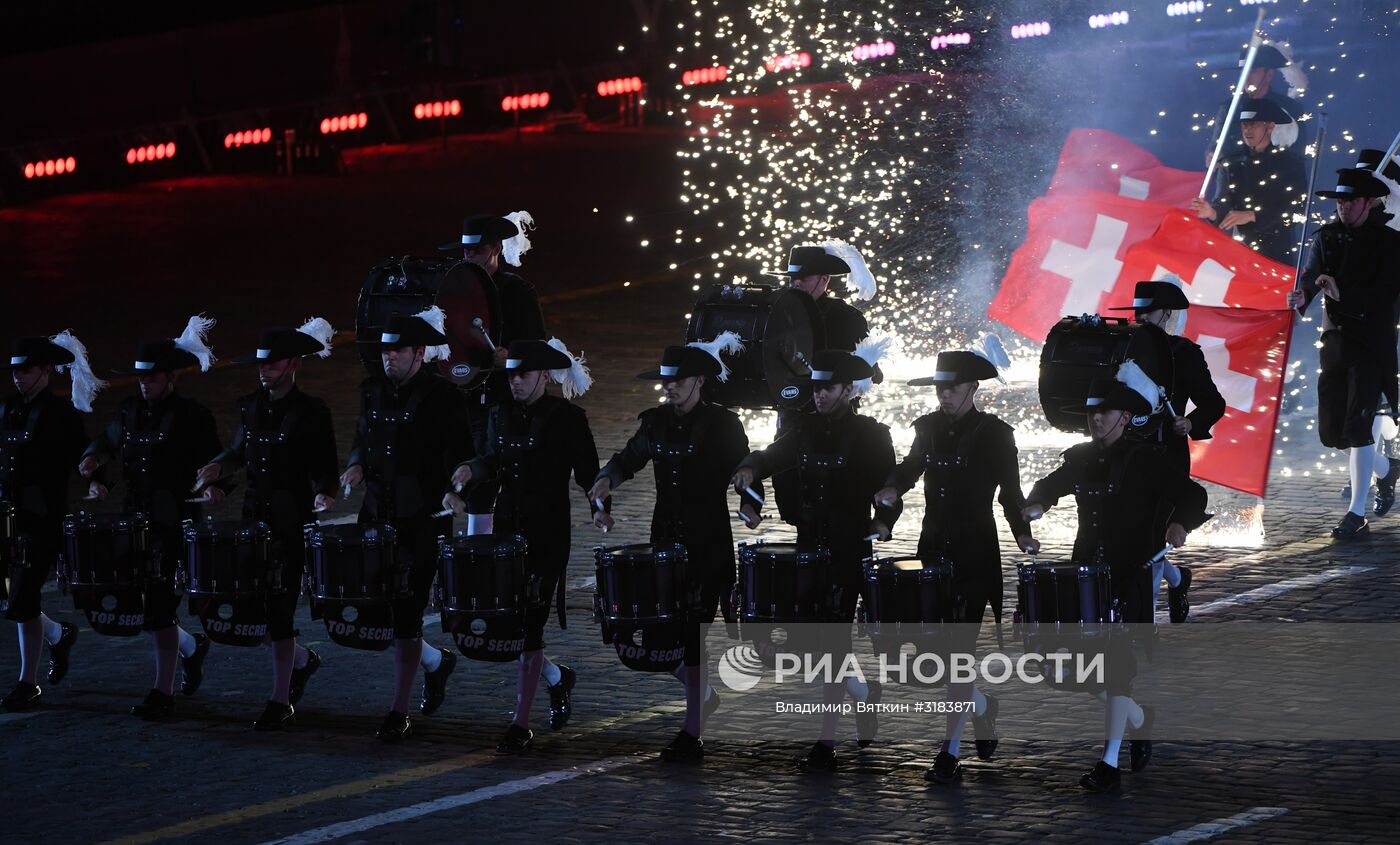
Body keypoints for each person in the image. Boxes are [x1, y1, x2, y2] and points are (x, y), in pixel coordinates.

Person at [1022, 379, 1210, 792]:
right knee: (1073, 672)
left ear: (1124, 418)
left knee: (1116, 671)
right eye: (1091, 412)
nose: (1095, 418)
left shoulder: (1146, 459)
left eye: (1104, 412)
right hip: (1087, 576)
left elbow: (1192, 495)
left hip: (1133, 574)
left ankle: (1108, 763)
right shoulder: (1080, 458)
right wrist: (1036, 505)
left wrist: (1179, 524)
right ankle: (1140, 721)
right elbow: (1048, 486)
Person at [589, 334, 762, 761]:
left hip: (707, 539)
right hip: (664, 541)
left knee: (692, 634)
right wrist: (605, 483)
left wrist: (749, 504)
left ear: (700, 382)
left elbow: (747, 469)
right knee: (656, 634)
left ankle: (692, 731)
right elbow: (628, 458)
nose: (669, 387)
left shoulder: (723, 424)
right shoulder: (655, 423)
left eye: (678, 381)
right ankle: (702, 696)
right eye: (666, 381)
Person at [873, 335, 1037, 785]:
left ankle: (950, 750)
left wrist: (1023, 533)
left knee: (958, 654)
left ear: (972, 389)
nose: (944, 393)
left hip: (975, 550)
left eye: (953, 386)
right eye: (940, 386)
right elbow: (911, 467)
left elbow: (1010, 494)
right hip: (933, 548)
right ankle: (983, 708)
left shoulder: (997, 434)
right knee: (932, 655)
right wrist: (893, 487)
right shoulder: (925, 426)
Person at [731, 349, 900, 772]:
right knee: (803, 646)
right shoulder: (804, 427)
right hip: (808, 548)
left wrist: (883, 522)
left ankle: (826, 741)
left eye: (828, 388)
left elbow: (889, 485)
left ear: (848, 389)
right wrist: (750, 470)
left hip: (847, 550)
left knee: (833, 643)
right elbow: (772, 455)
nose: (820, 395)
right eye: (817, 388)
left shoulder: (871, 434)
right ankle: (863, 693)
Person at [455, 338, 602, 753]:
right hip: (506, 528)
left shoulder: (568, 417)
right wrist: (470, 469)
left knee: (531, 624)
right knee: (506, 623)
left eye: (522, 374)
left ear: (542, 376)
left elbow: (589, 474)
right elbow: (490, 460)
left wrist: (599, 504)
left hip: (548, 532)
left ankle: (520, 721)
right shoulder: (499, 412)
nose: (514, 381)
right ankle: (557, 678)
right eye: (511, 375)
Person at [194, 319, 340, 730]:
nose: (264, 370)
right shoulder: (251, 406)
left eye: (273, 364)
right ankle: (300, 661)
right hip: (253, 519)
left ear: (293, 364)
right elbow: (240, 450)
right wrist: (218, 467)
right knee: (243, 610)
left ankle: (279, 698)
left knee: (278, 611)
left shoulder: (312, 411)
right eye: (262, 364)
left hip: (291, 521)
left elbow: (325, 465)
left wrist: (325, 492)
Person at [340, 309, 473, 741]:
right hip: (377, 512)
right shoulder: (371, 390)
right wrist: (356, 466)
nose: (388, 357)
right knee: (375, 607)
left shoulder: (445, 397)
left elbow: (461, 453)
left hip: (422, 520)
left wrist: (457, 490)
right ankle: (435, 661)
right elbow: (363, 438)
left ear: (419, 352)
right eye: (384, 350)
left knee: (407, 615)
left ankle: (398, 709)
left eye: (397, 350)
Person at [80, 316, 222, 721]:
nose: (145, 384)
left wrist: (214, 486)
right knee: (144, 607)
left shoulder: (193, 416)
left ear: (172, 376)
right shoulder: (128, 412)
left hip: (176, 521)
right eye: (142, 378)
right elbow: (107, 443)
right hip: (135, 520)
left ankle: (162, 691)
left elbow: (215, 461)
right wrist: (94, 465)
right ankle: (192, 649)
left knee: (160, 607)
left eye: (154, 378)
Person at [1287, 168, 1400, 537]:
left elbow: (1386, 295)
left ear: (1369, 203)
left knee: (1357, 426)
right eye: (1340, 201)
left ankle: (1356, 514)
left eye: (1351, 201)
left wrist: (1342, 294)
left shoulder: (1389, 243)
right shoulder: (1327, 235)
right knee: (1333, 432)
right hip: (1335, 342)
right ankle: (1386, 469)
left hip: (1371, 343)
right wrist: (1304, 295)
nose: (1344, 207)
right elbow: (1312, 274)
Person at [1108, 280, 1225, 622]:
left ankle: (1143, 621)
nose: (1142, 317)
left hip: (1164, 456)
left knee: (1154, 532)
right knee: (1131, 534)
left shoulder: (1184, 354)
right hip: (1124, 454)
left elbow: (1213, 403)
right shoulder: (1122, 347)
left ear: (1168, 314)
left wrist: (1190, 423)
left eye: (1150, 312)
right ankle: (1178, 579)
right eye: (1139, 312)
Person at [1, 332, 98, 711]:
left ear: (44, 371)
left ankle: (29, 681)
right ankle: (59, 634)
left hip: (42, 519)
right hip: (10, 518)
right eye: (15, 370)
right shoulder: (8, 408)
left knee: (23, 598)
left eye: (25, 370)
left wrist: (96, 478)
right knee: (13, 599)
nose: (17, 377)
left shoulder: (59, 414)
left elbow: (83, 455)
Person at [440, 212, 547, 538]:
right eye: (466, 251)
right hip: (461, 396)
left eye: (477, 250)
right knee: (454, 471)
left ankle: (484, 548)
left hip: (503, 396)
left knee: (491, 476)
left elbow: (536, 344)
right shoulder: (452, 288)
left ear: (496, 249)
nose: (469, 256)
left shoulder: (517, 291)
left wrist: (511, 356)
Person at [766, 242, 879, 525]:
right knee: (792, 500)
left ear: (824, 280)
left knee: (841, 502)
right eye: (793, 278)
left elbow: (871, 373)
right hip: (793, 417)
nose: (796, 283)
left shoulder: (846, 318)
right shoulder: (778, 313)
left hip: (838, 426)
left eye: (804, 278)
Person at [1192, 98, 1307, 263]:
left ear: (1270, 126)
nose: (1248, 130)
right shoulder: (1231, 162)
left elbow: (1295, 212)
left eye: (1254, 124)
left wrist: (1254, 215)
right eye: (1244, 125)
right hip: (1239, 252)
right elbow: (1223, 204)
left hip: (1276, 255)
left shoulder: (1290, 164)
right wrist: (1211, 212)